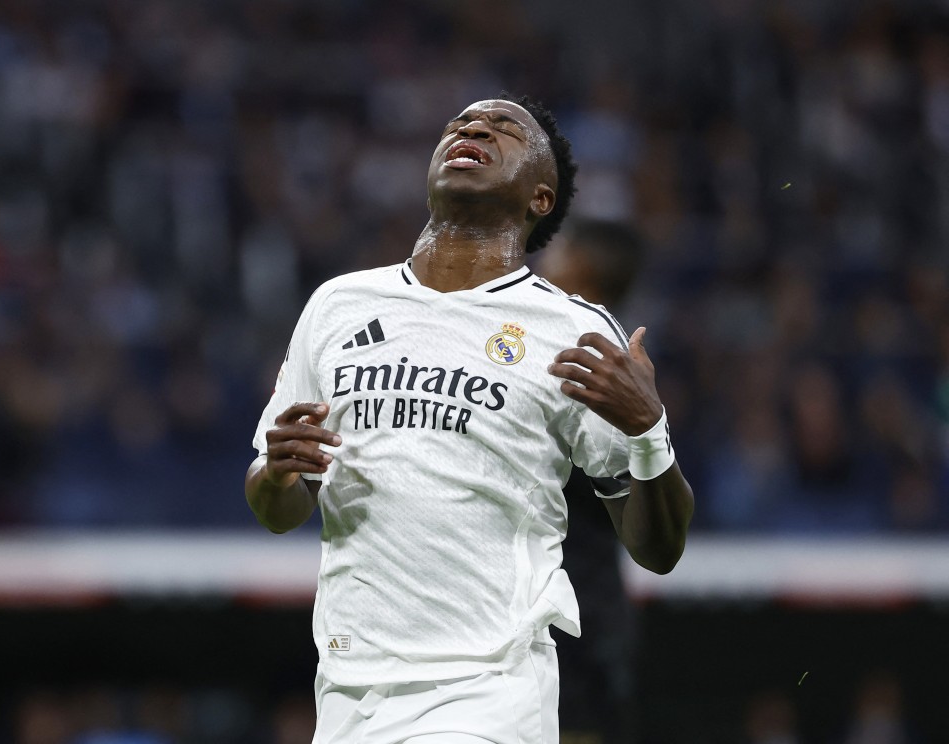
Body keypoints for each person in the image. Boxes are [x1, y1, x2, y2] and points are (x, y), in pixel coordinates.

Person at [245, 93, 694, 744]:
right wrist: (276, 476)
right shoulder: (338, 307)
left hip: (488, 692)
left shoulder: (572, 331)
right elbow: (278, 509)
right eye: (460, 123)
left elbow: (659, 550)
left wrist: (649, 432)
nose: (474, 127)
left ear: (541, 197)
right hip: (348, 690)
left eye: (503, 129)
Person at [535, 219, 645, 744]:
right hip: (570, 602)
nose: (542, 260)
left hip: (575, 611)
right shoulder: (608, 364)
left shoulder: (599, 371)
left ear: (584, 271)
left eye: (559, 250)